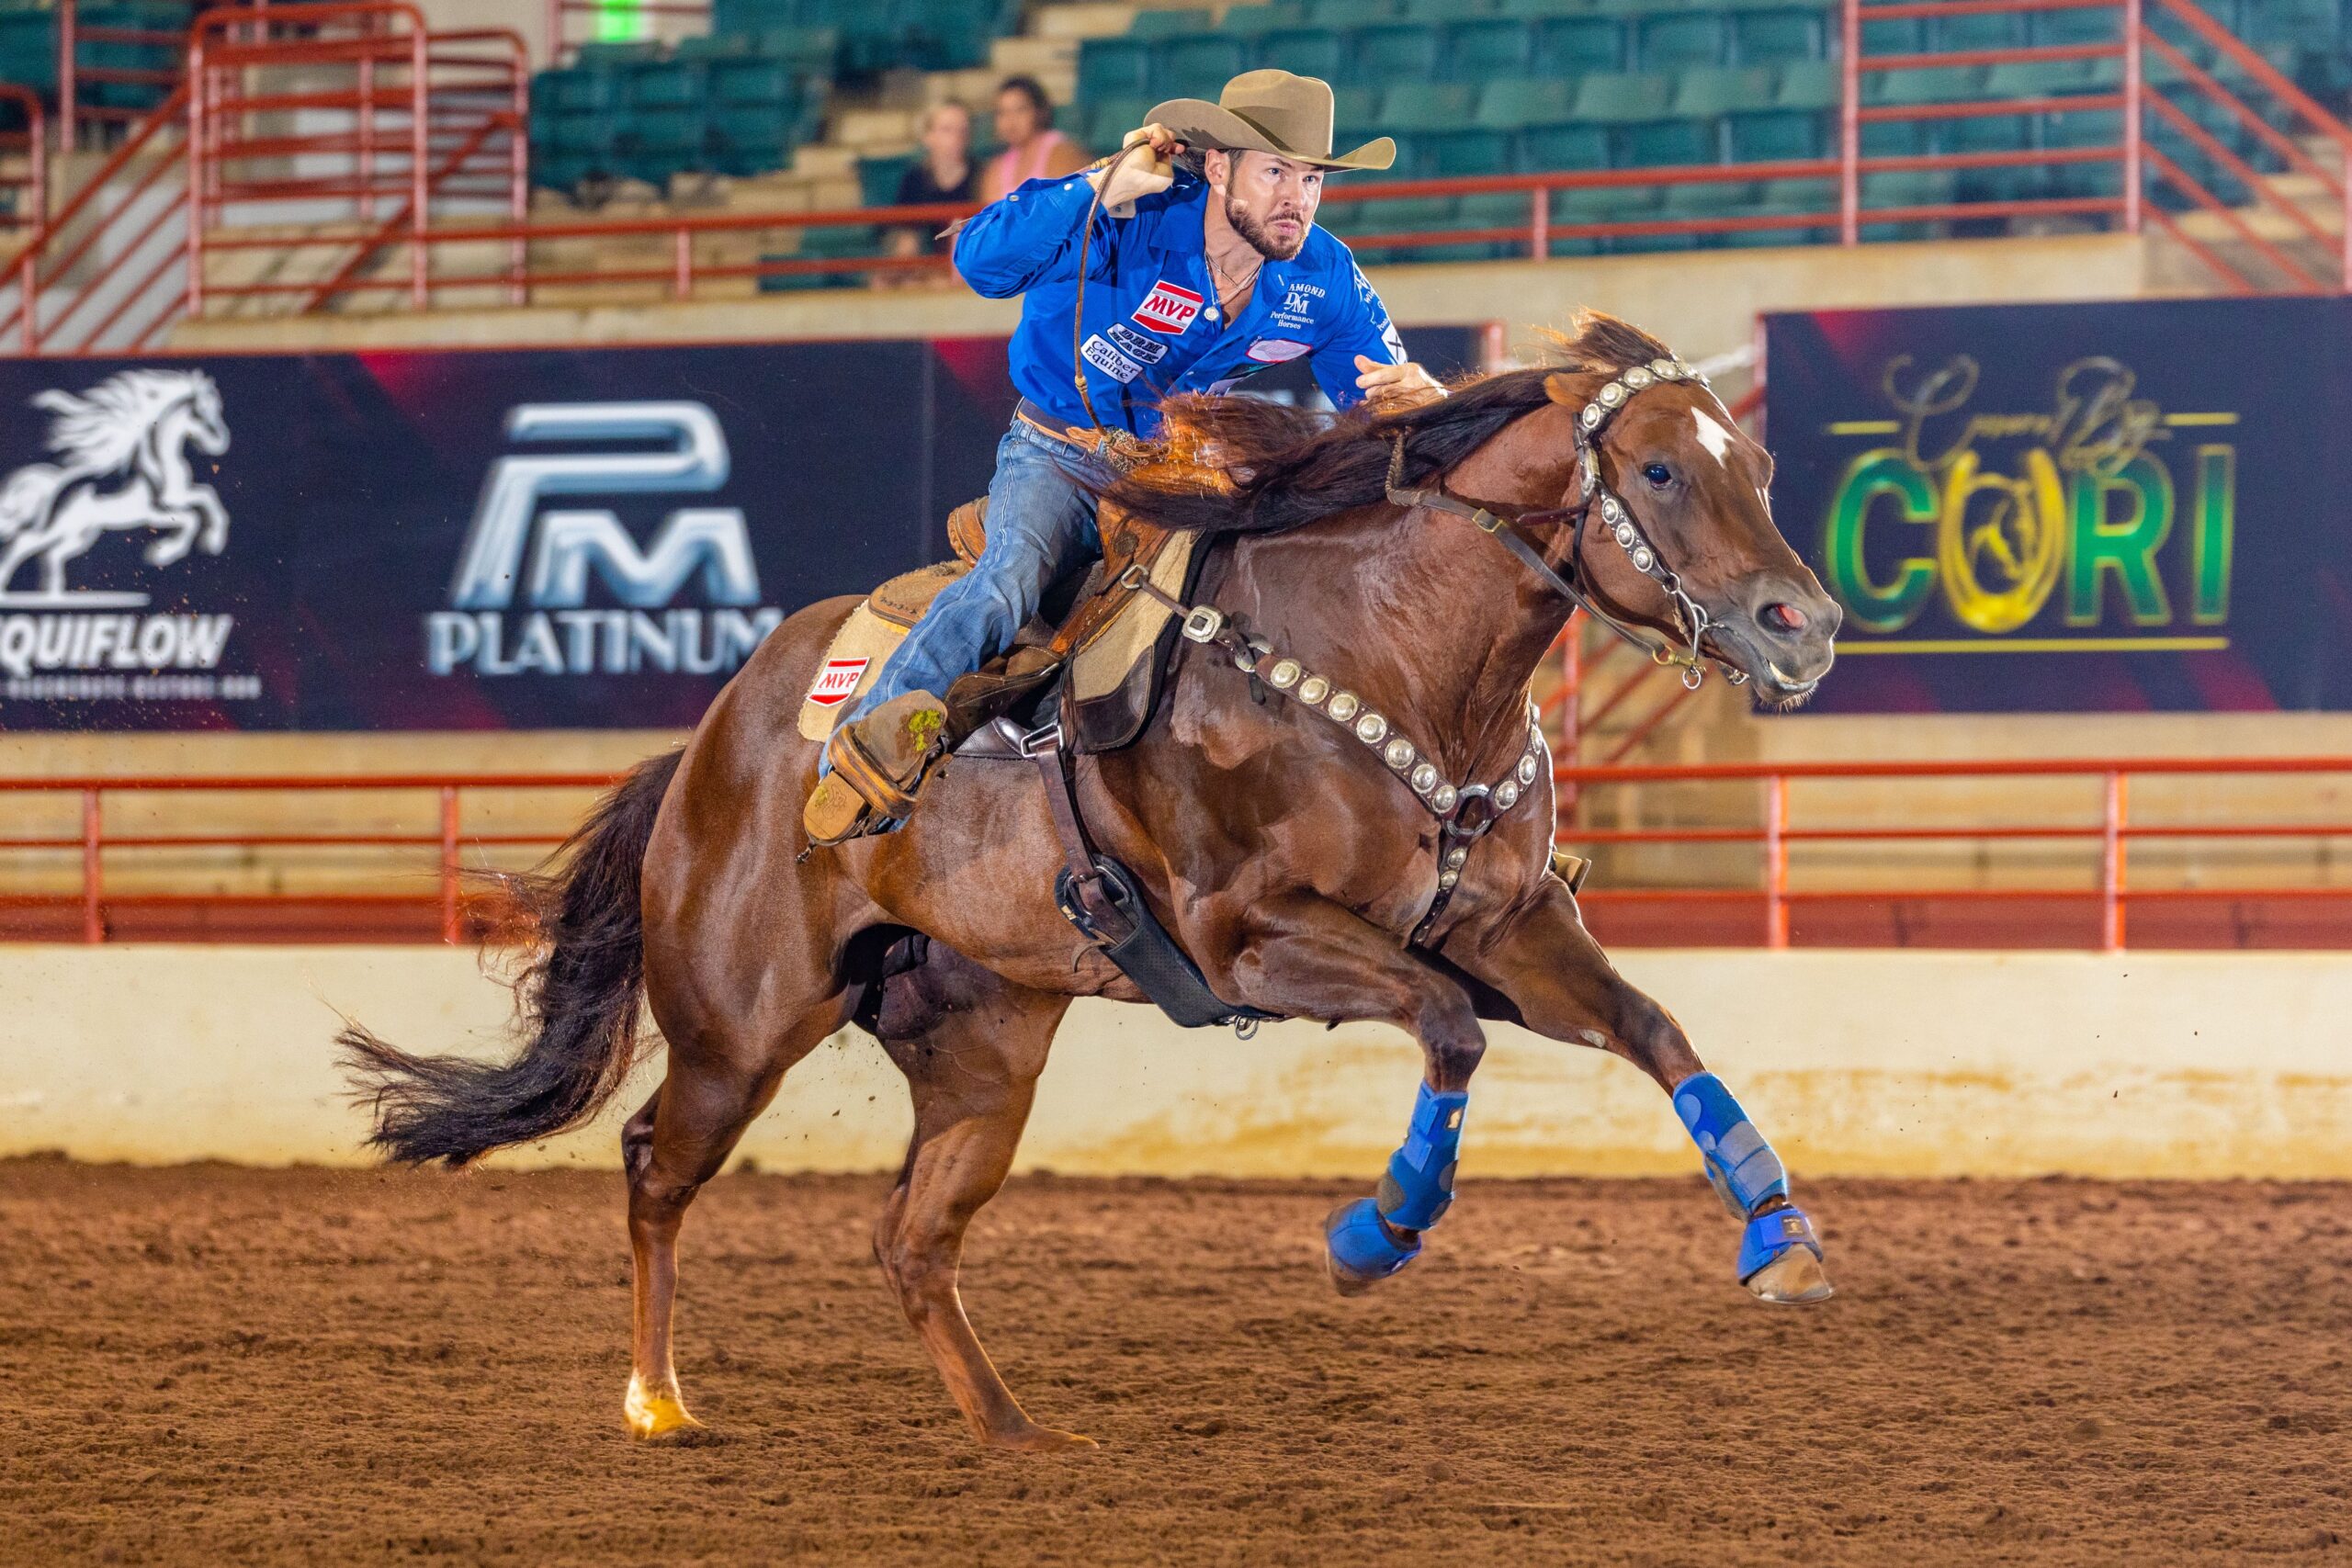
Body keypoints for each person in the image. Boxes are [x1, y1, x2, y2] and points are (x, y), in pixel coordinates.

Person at [805, 69, 1446, 845]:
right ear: (1218, 167)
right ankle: (864, 750)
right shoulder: (1130, 212)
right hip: (1059, 451)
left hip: (1172, 468)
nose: (1297, 198)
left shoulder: (1324, 275)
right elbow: (979, 262)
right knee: (1010, 577)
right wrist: (1094, 188)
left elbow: (1381, 398)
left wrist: (1421, 403)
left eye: (1311, 177)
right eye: (1276, 171)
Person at [881, 100, 978, 273]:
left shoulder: (981, 176)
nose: (956, 137)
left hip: (969, 266)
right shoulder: (914, 180)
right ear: (928, 136)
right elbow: (906, 241)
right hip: (925, 270)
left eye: (962, 130)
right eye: (947, 129)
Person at [977, 76, 1090, 203]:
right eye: (1002, 112)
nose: (1010, 121)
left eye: (1020, 110)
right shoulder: (995, 169)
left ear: (1039, 111)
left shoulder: (1063, 153)